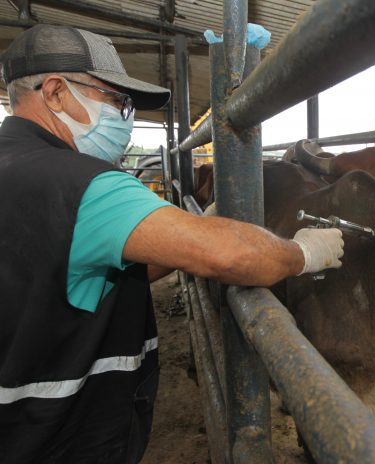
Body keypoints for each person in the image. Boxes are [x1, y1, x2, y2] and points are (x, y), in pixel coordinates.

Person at [0, 24, 344, 463]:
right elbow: (234, 256)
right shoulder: (85, 186)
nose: (123, 117)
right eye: (115, 100)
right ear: (55, 93)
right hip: (61, 436)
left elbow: (80, 273)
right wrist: (303, 252)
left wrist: (192, 232)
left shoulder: (12, 166)